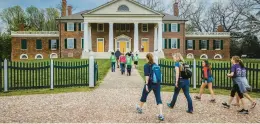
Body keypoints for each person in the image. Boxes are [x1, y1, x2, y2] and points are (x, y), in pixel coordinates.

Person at [136, 53, 164, 121]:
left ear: (147, 58)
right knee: (158, 99)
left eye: (146, 57)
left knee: (144, 95)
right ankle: (161, 114)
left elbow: (147, 76)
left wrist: (146, 84)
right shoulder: (156, 65)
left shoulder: (146, 65)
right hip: (157, 84)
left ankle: (140, 108)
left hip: (150, 83)